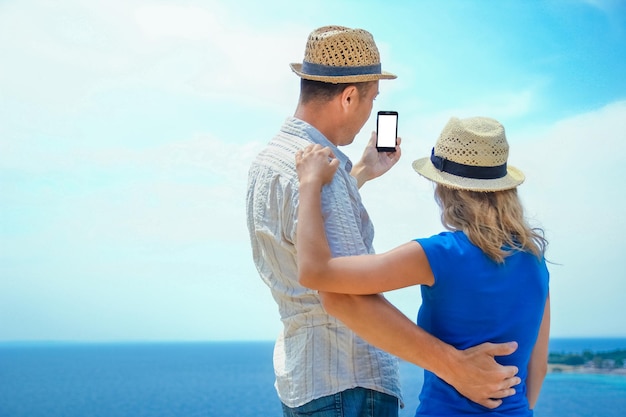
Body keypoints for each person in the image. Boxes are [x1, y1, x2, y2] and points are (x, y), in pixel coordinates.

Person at [247, 25, 519, 417]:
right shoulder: (322, 171)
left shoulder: (270, 162)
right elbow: (342, 295)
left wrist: (360, 172)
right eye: (371, 99)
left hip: (305, 378)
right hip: (348, 382)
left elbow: (306, 234)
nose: (368, 113)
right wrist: (454, 367)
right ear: (348, 96)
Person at [295, 116, 551, 416]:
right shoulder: (535, 259)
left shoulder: (441, 254)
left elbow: (316, 272)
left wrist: (310, 183)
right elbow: (539, 367)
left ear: (444, 189)